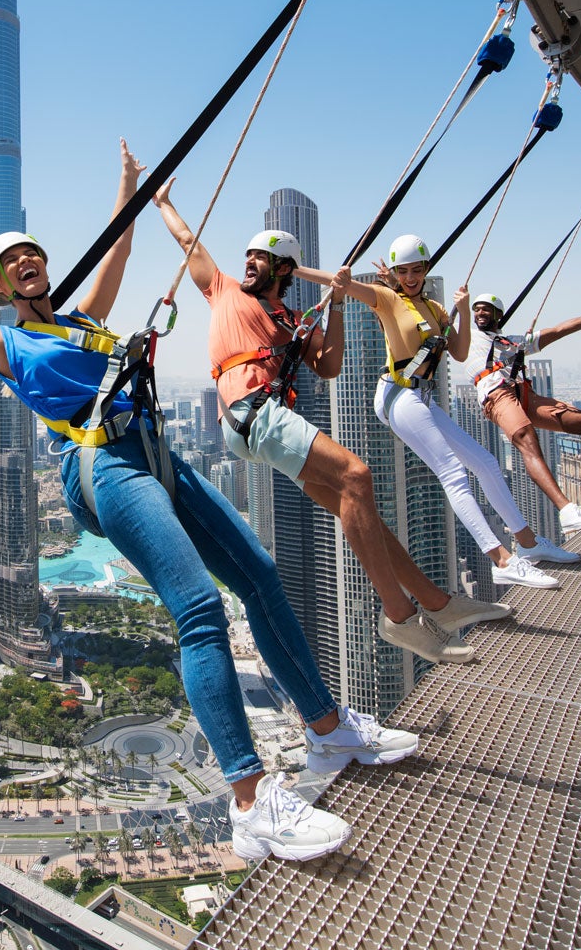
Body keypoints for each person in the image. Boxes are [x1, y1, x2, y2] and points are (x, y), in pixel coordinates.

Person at [0, 142, 413, 865]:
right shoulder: (5, 341)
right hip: (100, 462)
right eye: (11, 264)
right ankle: (251, 804)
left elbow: (119, 253)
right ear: (1, 290)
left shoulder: (80, 319)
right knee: (197, 606)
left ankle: (327, 731)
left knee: (257, 573)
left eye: (32, 253)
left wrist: (130, 185)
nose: (26, 262)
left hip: (154, 450)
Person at [151, 181, 511, 666]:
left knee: (358, 509)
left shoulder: (293, 319)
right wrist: (165, 203)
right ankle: (400, 616)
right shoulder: (225, 291)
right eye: (248, 257)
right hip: (253, 414)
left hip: (261, 423)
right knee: (357, 476)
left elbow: (329, 365)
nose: (248, 263)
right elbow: (188, 244)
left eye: (259, 258)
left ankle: (438, 604)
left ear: (283, 269)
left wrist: (336, 303)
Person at [290, 234, 581, 590]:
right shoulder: (387, 298)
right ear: (395, 274)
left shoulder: (436, 309)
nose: (411, 277)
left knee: (486, 463)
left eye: (417, 269)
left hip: (422, 398)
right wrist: (293, 268)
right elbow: (344, 284)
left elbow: (458, 353)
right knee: (453, 473)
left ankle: (530, 544)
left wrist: (462, 308)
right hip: (398, 395)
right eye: (404, 271)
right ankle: (501, 560)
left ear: (426, 269)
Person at [465, 290, 581, 528]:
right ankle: (567, 512)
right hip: (497, 396)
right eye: (476, 309)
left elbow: (560, 330)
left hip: (525, 395)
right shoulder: (468, 338)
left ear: (498, 315)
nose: (479, 312)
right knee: (527, 437)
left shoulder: (515, 342)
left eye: (485, 308)